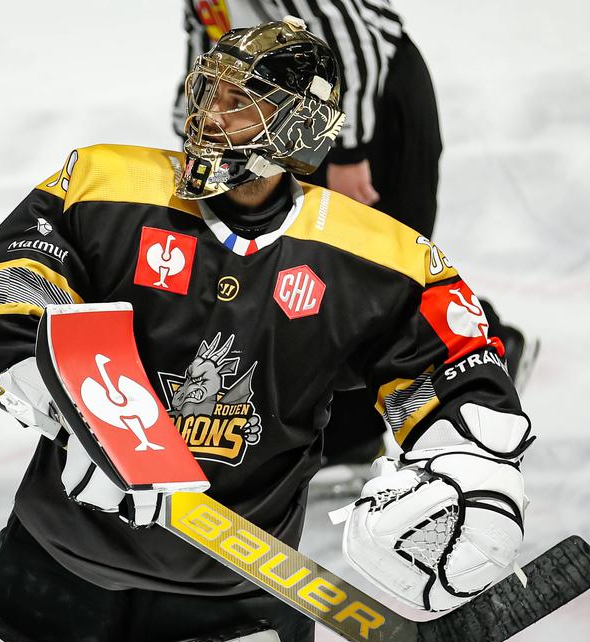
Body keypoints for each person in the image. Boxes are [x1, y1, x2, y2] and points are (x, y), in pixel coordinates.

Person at [0, 17, 532, 642]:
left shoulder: (373, 255)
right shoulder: (105, 182)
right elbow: (7, 282)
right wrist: (75, 399)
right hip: (60, 560)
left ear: (297, 127)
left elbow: (451, 365)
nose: (209, 115)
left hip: (235, 588)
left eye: (239, 100)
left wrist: (465, 466)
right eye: (209, 91)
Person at [175, 0, 537, 467]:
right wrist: (198, 138)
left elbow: (353, 39)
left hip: (366, 107)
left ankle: (478, 359)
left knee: (374, 266)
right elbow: (208, 40)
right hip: (276, 113)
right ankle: (350, 436)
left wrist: (350, 150)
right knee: (296, 262)